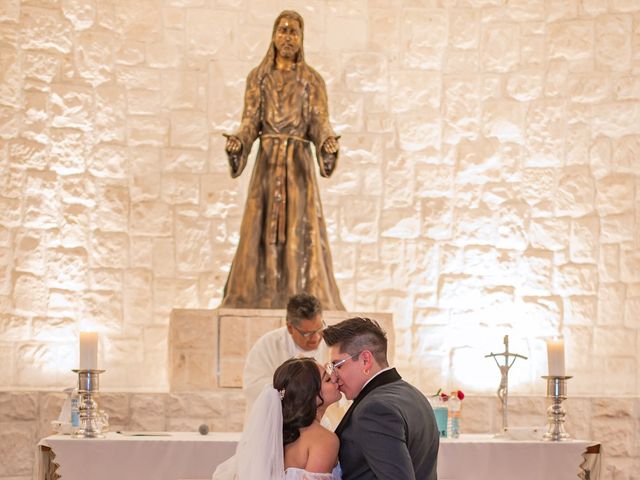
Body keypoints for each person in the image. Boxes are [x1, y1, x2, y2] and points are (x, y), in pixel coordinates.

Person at [220, 9, 345, 310]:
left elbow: (319, 121)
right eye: (283, 30)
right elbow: (250, 121)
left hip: (298, 167)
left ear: (301, 39)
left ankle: (298, 299)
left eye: (293, 32)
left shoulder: (311, 80)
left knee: (299, 232)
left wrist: (327, 143)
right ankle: (256, 294)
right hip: (267, 165)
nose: (287, 37)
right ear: (273, 36)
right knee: (259, 231)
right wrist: (239, 141)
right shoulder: (259, 77)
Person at [323, 317, 439, 480]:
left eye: (338, 365)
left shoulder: (374, 409)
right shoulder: (414, 394)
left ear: (365, 360)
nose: (334, 376)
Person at [212, 357, 343, 479]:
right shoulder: (323, 440)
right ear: (309, 394)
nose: (335, 379)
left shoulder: (277, 435)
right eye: (327, 379)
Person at [243, 293, 327, 417]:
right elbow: (252, 387)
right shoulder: (267, 345)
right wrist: (295, 386)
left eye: (319, 329)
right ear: (290, 327)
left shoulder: (334, 342)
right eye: (307, 333)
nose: (316, 338)